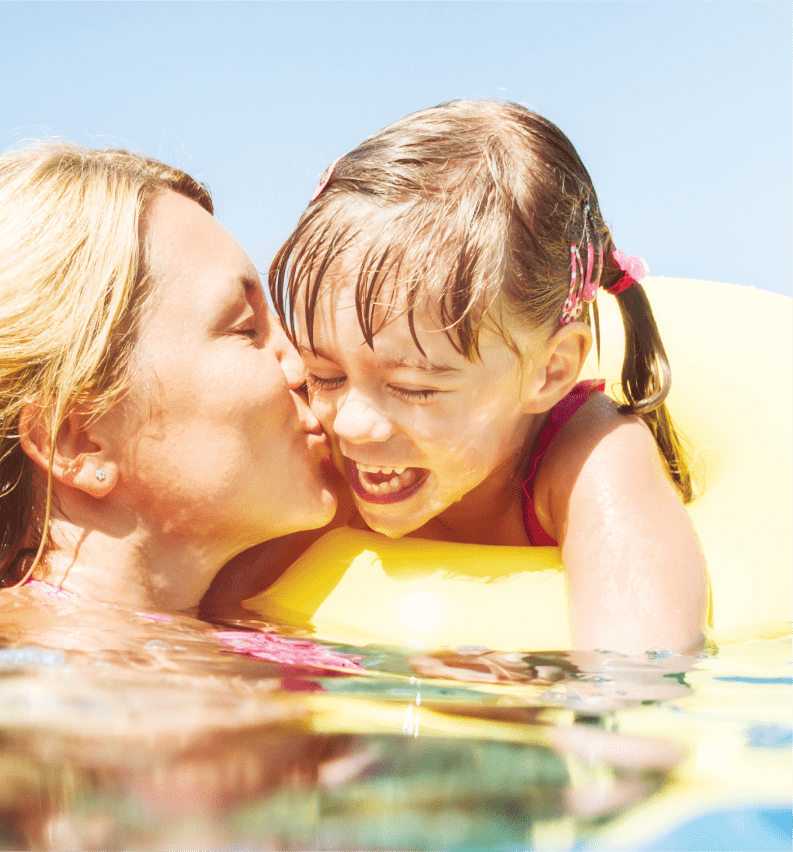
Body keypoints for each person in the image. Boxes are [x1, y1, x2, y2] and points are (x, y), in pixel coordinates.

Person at [264, 100, 708, 654]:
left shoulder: (591, 456)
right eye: (324, 374)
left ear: (550, 370)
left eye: (414, 387)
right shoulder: (321, 453)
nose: (351, 424)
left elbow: (640, 668)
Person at [0, 143, 338, 634]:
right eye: (245, 329)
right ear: (77, 441)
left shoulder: (181, 636)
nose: (305, 363)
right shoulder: (68, 680)